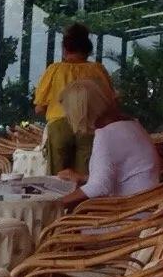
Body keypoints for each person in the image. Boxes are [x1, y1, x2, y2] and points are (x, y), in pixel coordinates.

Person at [57, 75, 163, 202]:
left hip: (131, 211)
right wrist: (83, 178)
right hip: (145, 203)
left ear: (81, 112)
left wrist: (55, 203)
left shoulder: (106, 135)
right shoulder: (130, 124)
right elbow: (128, 175)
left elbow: (99, 187)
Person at [33, 23, 116, 174]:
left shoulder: (54, 70)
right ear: (88, 48)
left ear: (65, 48)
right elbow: (110, 103)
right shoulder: (98, 70)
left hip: (59, 125)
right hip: (89, 126)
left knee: (57, 181)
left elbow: (39, 108)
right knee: (86, 178)